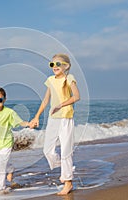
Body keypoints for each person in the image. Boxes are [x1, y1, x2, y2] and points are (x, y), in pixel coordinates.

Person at [30, 53, 80, 195]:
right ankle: (66, 170)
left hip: (65, 118)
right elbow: (45, 100)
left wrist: (60, 105)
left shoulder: (69, 78)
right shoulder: (50, 80)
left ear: (66, 66)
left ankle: (68, 181)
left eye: (58, 64)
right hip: (53, 119)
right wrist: (36, 117)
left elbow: (77, 96)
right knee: (47, 150)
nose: (54, 67)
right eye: (52, 64)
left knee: (66, 151)